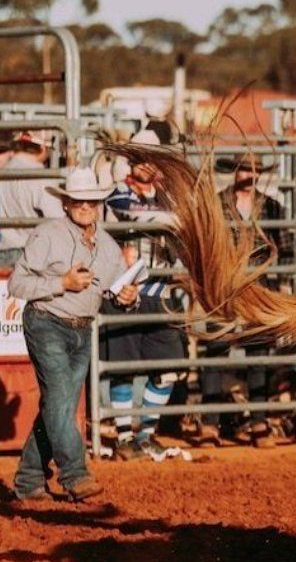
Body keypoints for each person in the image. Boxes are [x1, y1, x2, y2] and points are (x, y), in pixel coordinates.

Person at [10, 168, 138, 501]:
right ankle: (74, 474)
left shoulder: (108, 248)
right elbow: (16, 284)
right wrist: (61, 284)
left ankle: (28, 481)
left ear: (98, 204)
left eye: (91, 201)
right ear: (66, 203)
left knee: (59, 405)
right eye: (78, 201)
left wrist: (128, 297)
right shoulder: (47, 234)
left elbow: (117, 291)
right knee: (60, 403)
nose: (85, 206)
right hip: (46, 321)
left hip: (81, 328)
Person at [194, 154, 293, 449]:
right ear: (235, 173)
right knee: (215, 349)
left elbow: (287, 248)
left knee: (258, 354)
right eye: (244, 169)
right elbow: (204, 244)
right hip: (222, 287)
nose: (249, 174)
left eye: (254, 169)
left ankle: (259, 420)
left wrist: (278, 281)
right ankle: (211, 423)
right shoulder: (216, 204)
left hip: (259, 287)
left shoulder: (272, 206)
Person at [101, 130, 186, 461]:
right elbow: (134, 215)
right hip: (121, 287)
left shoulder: (167, 197)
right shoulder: (117, 194)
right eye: (138, 156)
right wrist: (176, 220)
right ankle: (125, 437)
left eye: (150, 157)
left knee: (167, 366)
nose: (144, 163)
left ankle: (146, 434)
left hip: (158, 288)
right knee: (123, 366)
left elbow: (178, 235)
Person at [0, 131, 64, 267]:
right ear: (43, 148)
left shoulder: (3, 172)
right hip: (31, 254)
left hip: (3, 251)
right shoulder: (41, 177)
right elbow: (58, 220)